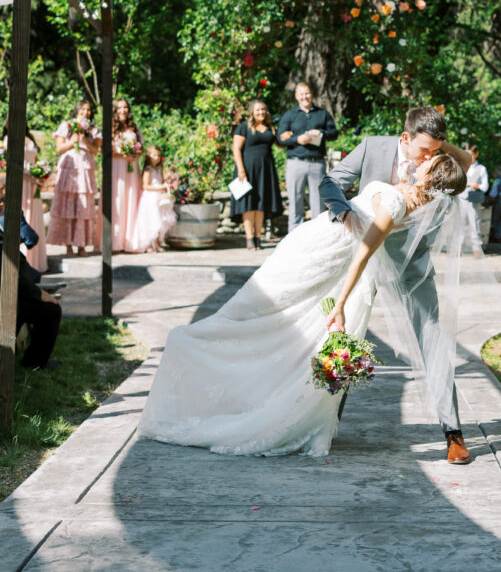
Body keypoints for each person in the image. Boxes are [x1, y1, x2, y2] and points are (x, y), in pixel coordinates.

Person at [138, 153, 467, 458]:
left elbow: (363, 254)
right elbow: (459, 165)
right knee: (265, 314)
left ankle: (199, 352)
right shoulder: (420, 199)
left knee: (264, 318)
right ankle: (225, 379)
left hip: (323, 254)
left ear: (430, 176)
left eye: (430, 160)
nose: (423, 159)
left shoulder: (395, 204)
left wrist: (339, 305)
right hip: (316, 245)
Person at [318, 106, 474, 464]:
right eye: (424, 150)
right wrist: (344, 213)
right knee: (346, 333)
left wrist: (437, 145)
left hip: (413, 262)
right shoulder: (374, 146)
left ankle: (453, 433)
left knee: (434, 338)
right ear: (405, 138)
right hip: (368, 254)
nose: (431, 157)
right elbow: (330, 181)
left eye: (435, 150)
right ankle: (325, 420)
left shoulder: (437, 156)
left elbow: (464, 160)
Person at [0, 198, 62, 370]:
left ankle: (30, 361)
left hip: (15, 290)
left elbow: (31, 239)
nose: (2, 204)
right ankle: (30, 361)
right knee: (50, 310)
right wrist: (40, 294)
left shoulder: (10, 215)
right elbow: (13, 274)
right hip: (9, 296)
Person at [277, 82, 338, 233]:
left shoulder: (322, 113)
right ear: (296, 96)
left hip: (316, 163)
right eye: (301, 94)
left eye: (307, 93)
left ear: (312, 94)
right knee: (295, 202)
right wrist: (297, 140)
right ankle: (294, 240)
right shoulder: (290, 115)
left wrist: (321, 133)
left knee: (318, 203)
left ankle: (317, 238)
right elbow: (280, 139)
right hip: (295, 163)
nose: (305, 97)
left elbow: (334, 133)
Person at [47, 100, 101, 255]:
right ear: (77, 110)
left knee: (83, 204)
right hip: (69, 167)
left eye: (88, 110)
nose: (86, 112)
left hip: (84, 167)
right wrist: (72, 142)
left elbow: (96, 150)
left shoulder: (93, 129)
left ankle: (82, 244)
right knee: (68, 205)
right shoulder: (66, 125)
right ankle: (68, 244)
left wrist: (84, 140)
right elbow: (59, 148)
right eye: (83, 109)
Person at [231, 99, 283, 250]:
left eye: (263, 109)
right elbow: (236, 149)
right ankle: (249, 240)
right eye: (258, 110)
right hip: (247, 170)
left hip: (265, 171)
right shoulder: (243, 128)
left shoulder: (270, 128)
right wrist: (241, 169)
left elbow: (281, 142)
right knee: (248, 205)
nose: (261, 112)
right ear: (251, 112)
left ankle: (258, 238)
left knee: (261, 205)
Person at [2, 123, 48, 273]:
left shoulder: (29, 138)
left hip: (33, 185)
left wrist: (41, 175)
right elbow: (12, 164)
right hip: (20, 182)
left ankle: (37, 262)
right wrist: (31, 178)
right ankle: (25, 263)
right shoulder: (9, 139)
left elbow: (35, 160)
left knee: (35, 217)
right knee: (23, 215)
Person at [110, 98, 143, 253]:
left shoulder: (134, 128)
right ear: (115, 111)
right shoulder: (111, 128)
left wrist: (134, 153)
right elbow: (106, 150)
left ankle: (131, 239)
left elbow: (141, 147)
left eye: (125, 107)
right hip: (117, 168)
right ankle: (115, 241)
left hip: (131, 167)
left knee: (131, 200)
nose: (123, 110)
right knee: (118, 201)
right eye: (119, 108)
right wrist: (121, 152)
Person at [129, 146, 177, 253]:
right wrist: (161, 187)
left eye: (158, 155)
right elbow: (145, 186)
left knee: (158, 220)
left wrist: (169, 180)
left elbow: (161, 180)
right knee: (150, 220)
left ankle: (156, 243)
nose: (157, 158)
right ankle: (147, 244)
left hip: (159, 198)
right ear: (148, 156)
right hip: (149, 198)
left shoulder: (159, 169)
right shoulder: (148, 170)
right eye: (154, 155)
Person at [459, 145, 488, 257]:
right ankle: (459, 247)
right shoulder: (461, 167)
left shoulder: (481, 169)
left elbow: (485, 186)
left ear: (476, 154)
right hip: (461, 199)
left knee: (474, 223)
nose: (468, 157)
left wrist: (477, 185)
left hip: (474, 199)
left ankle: (476, 248)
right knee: (460, 224)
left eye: (471, 154)